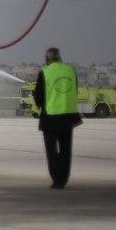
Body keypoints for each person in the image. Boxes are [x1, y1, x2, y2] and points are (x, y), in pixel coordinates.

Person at [34, 47, 82, 189]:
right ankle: (64, 178)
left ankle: (57, 179)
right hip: (68, 116)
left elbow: (38, 97)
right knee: (66, 150)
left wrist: (41, 107)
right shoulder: (71, 71)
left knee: (52, 151)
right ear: (59, 57)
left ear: (47, 59)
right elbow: (75, 89)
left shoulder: (45, 72)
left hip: (51, 117)